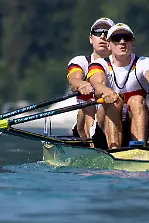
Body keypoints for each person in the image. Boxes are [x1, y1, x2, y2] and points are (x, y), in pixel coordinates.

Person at [85, 23, 149, 148]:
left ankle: (139, 147)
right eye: (116, 38)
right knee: (115, 101)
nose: (122, 42)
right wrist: (106, 92)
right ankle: (114, 147)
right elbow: (97, 84)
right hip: (103, 129)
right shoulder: (99, 64)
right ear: (108, 45)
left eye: (126, 38)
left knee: (137, 100)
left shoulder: (144, 62)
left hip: (133, 123)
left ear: (132, 43)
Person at [66, 17, 113, 145]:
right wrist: (83, 84)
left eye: (107, 33)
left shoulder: (121, 65)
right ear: (91, 39)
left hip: (113, 118)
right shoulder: (81, 61)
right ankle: (92, 143)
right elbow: (73, 80)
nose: (102, 36)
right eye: (98, 33)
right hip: (86, 117)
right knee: (88, 103)